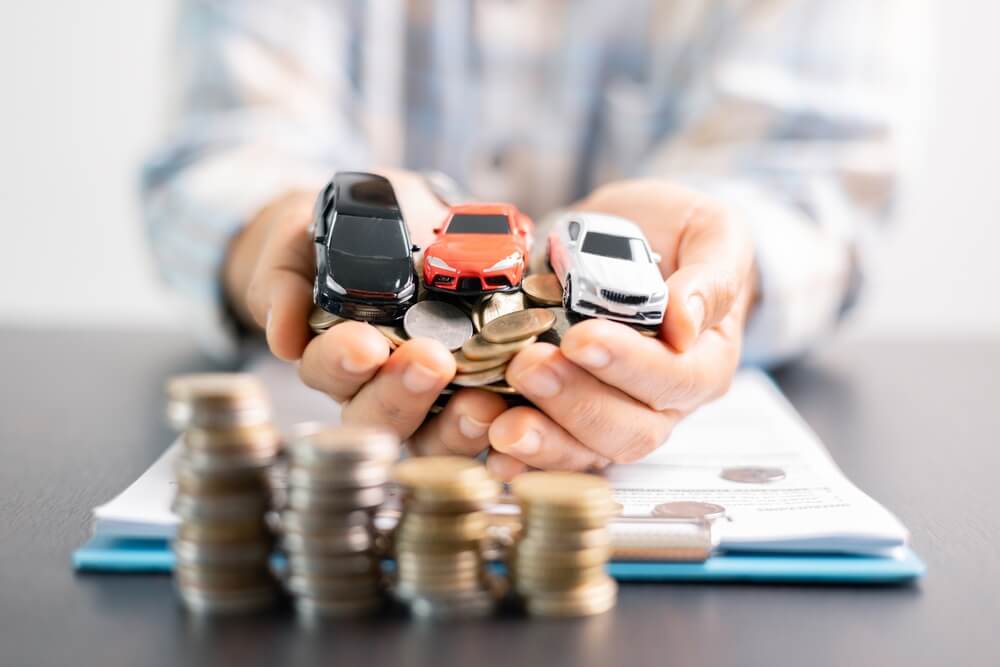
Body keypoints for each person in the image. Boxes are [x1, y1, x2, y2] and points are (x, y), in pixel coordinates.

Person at [143, 0, 894, 480]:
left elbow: (815, 179)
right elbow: (221, 151)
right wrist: (270, 226)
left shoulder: (520, 258)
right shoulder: (453, 258)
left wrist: (722, 272)